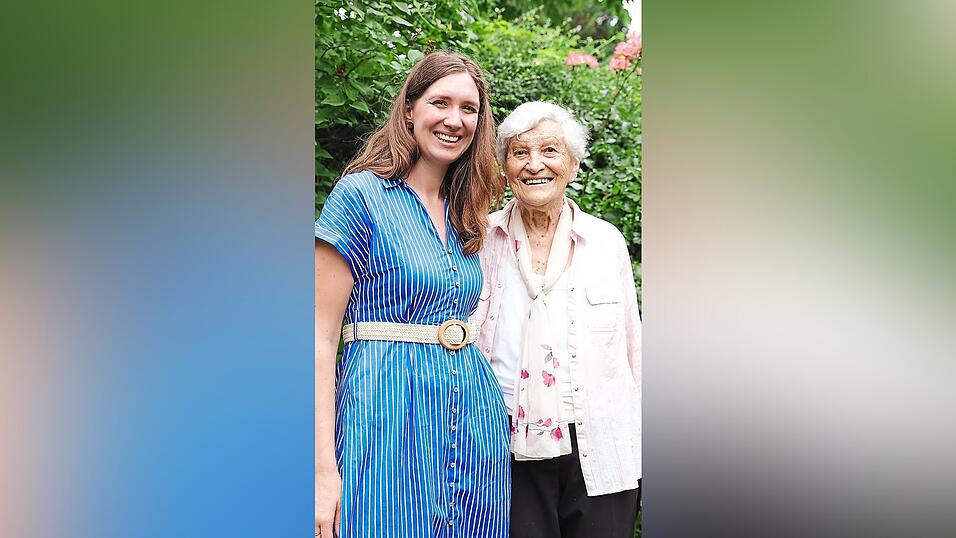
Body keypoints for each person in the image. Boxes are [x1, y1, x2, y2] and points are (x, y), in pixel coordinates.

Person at [314, 52, 509, 538]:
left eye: (469, 109)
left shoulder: (469, 213)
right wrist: (319, 471)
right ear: (409, 110)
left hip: (473, 418)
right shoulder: (360, 196)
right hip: (384, 415)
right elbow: (317, 337)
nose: (454, 119)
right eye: (439, 102)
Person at [470, 101, 642, 538]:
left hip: (600, 443)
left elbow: (631, 352)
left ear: (573, 164)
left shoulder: (606, 242)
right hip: (505, 442)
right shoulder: (478, 239)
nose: (534, 165)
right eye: (519, 152)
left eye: (550, 150)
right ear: (504, 166)